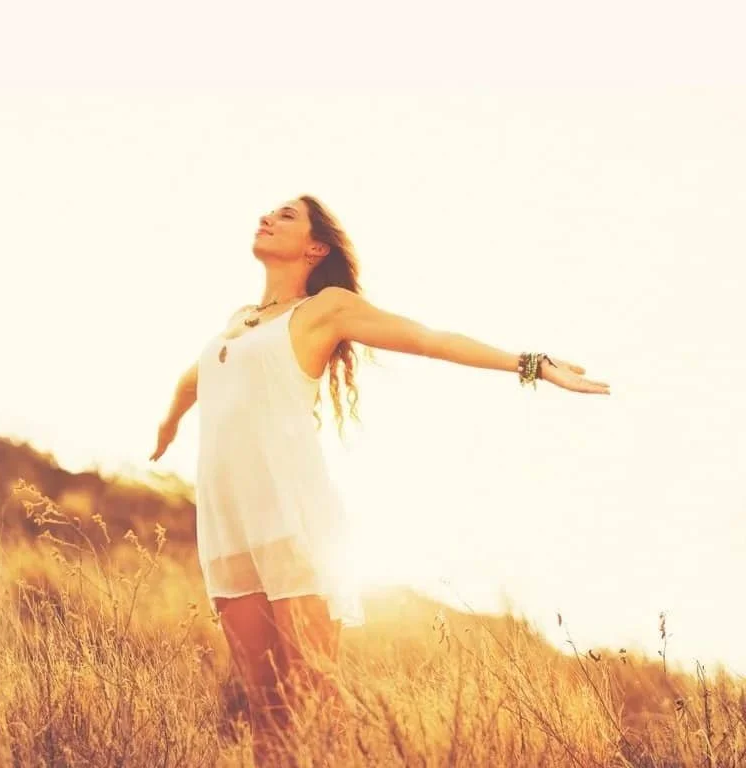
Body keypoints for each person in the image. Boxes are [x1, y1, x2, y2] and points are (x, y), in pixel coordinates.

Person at [149, 194, 610, 765]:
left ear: (315, 247)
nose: (267, 217)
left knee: (312, 695)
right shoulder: (239, 322)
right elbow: (193, 380)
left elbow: (429, 338)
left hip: (291, 515)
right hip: (226, 523)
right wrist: (169, 425)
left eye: (286, 216)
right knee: (264, 709)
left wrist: (531, 363)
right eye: (270, 211)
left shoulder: (325, 309)